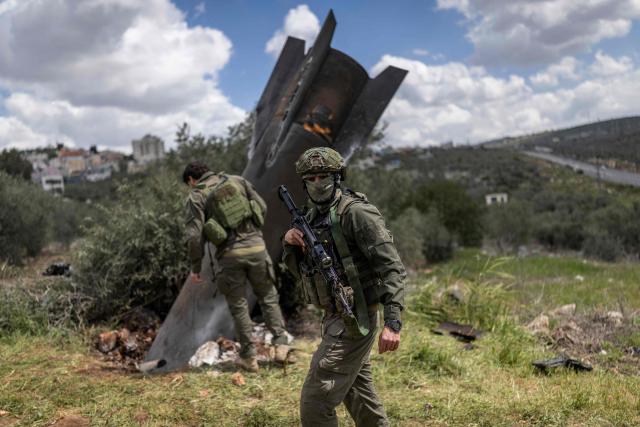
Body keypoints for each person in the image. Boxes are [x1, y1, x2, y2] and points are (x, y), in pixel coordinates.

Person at [282, 147, 406, 426]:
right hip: (334, 316)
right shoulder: (310, 217)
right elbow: (300, 271)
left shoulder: (357, 213)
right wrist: (289, 242)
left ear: (338, 177)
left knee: (315, 399)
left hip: (355, 318)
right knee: (359, 396)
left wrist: (393, 322)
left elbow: (392, 268)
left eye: (324, 175)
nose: (317, 183)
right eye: (311, 177)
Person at [183, 161, 290, 372]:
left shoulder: (196, 196)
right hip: (257, 249)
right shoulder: (237, 181)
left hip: (229, 256)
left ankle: (249, 358)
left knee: (239, 306)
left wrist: (196, 267)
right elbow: (262, 206)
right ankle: (281, 347)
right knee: (268, 297)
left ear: (191, 180)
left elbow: (194, 236)